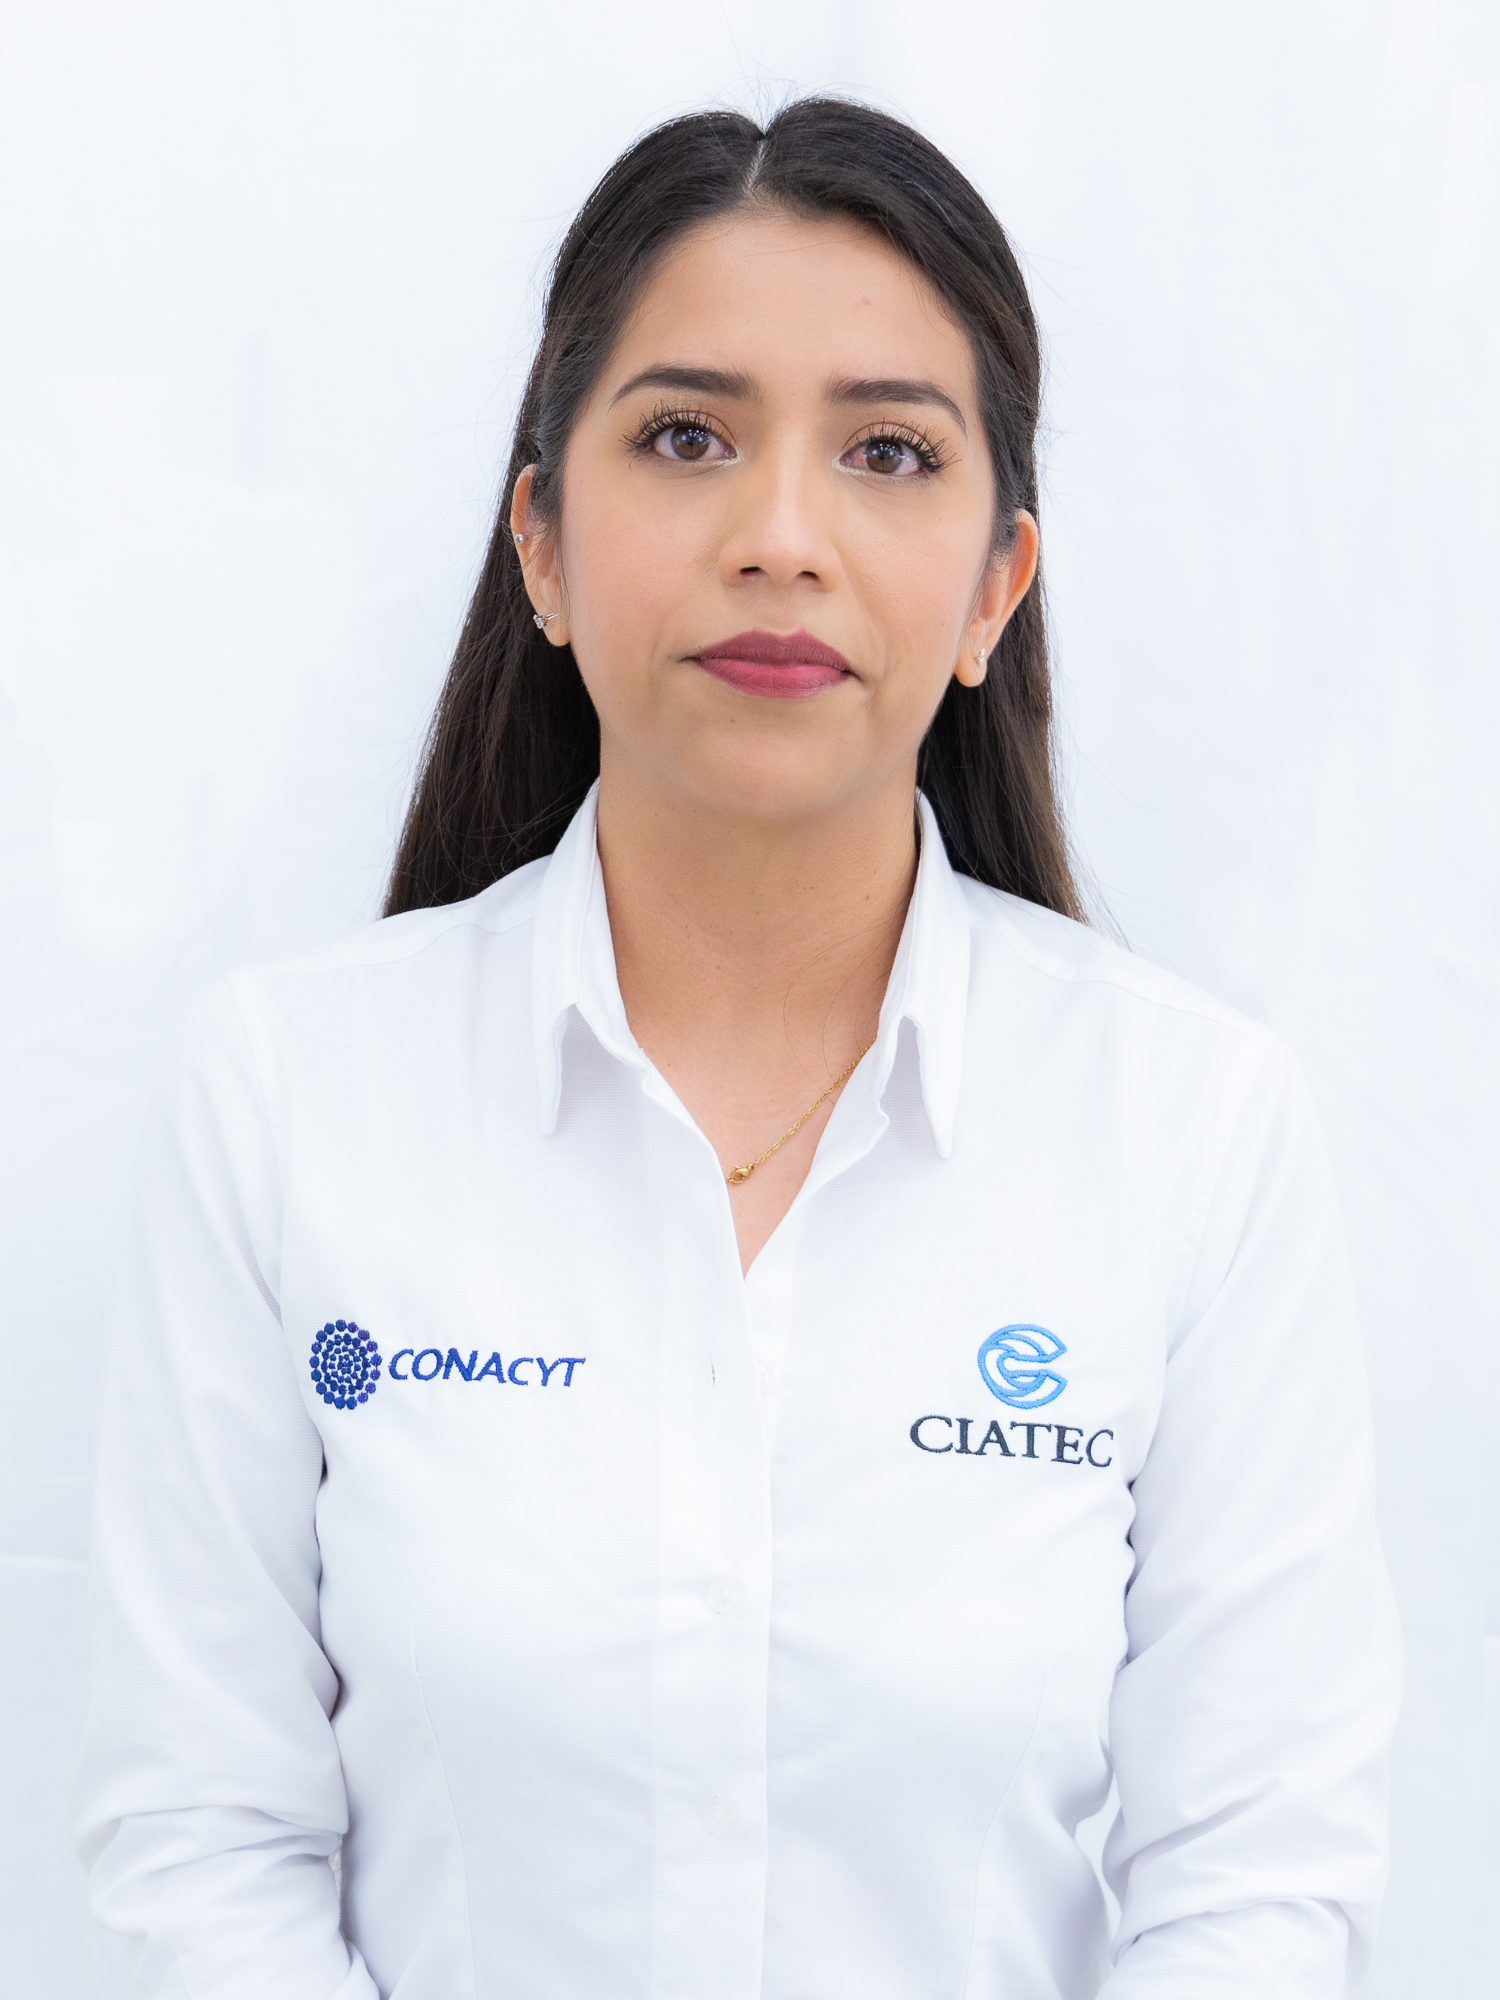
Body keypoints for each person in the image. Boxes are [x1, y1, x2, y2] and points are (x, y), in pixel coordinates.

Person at [74, 99, 1400, 1999]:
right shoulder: (288, 1101)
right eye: (687, 438)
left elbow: (1257, 1877)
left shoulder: (1192, 1132)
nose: (781, 538)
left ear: (996, 586)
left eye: (888, 453)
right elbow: (206, 1840)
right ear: (541, 541)